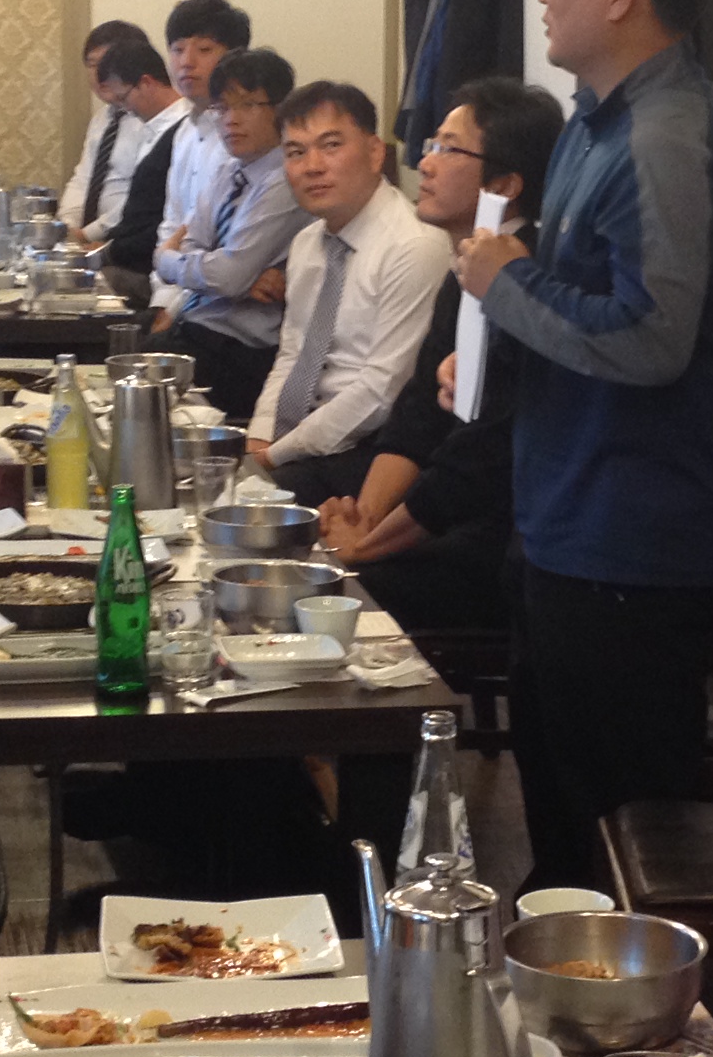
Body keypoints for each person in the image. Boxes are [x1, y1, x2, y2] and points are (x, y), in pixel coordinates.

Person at [457, 0, 713, 891]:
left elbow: (650, 338)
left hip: (633, 543)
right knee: (557, 824)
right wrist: (500, 332)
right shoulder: (595, 120)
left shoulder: (662, 139)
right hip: (565, 521)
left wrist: (505, 285)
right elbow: (575, 293)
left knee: (619, 845)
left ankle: (613, 997)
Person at [322, 77, 560, 630]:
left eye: (449, 150)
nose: (424, 164)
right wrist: (365, 517)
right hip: (446, 509)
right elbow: (418, 411)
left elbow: (482, 455)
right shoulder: (466, 266)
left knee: (327, 592)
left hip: (501, 535)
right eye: (430, 145)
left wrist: (365, 549)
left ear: (505, 183)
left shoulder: (525, 275)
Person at [246, 82, 450, 505]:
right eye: (295, 152)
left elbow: (381, 390)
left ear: (375, 152)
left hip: (373, 449)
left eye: (331, 145)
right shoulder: (307, 242)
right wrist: (259, 437)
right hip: (299, 440)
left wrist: (273, 457)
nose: (312, 167)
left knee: (246, 508)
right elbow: (292, 353)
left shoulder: (414, 245)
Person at [152, 47, 305, 417]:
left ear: (281, 110)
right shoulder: (229, 172)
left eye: (248, 105)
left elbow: (226, 273)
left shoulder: (285, 179)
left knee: (133, 396)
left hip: (239, 352)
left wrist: (165, 259)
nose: (231, 120)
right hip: (196, 330)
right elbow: (200, 249)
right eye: (221, 108)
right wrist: (232, 279)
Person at [106, 0, 248, 297]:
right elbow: (170, 227)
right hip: (175, 292)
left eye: (204, 49)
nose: (186, 62)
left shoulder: (243, 137)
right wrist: (162, 302)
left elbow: (226, 251)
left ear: (235, 57)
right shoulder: (184, 132)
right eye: (177, 49)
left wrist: (171, 307)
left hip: (219, 300)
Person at [76, 36, 185, 297]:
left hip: (152, 268)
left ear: (146, 83)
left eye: (123, 98)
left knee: (80, 288)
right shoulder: (153, 127)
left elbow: (161, 218)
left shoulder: (182, 131)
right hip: (130, 252)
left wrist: (108, 251)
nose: (125, 109)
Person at [64, 18, 163, 244]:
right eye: (92, 64)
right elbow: (83, 179)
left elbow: (141, 194)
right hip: (89, 241)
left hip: (130, 239)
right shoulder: (101, 119)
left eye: (106, 64)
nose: (98, 74)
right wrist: (67, 227)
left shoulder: (152, 121)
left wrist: (87, 235)